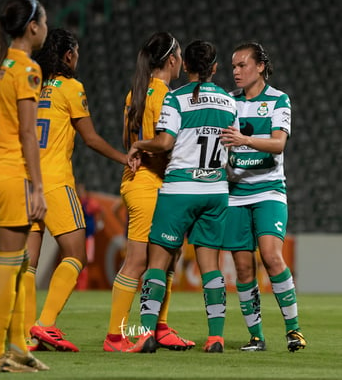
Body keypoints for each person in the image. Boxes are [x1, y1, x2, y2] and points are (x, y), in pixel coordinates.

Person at [125, 40, 239, 353]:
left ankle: (146, 334)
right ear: (214, 68)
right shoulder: (230, 102)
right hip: (215, 190)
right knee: (211, 267)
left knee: (158, 264)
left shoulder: (175, 98)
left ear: (185, 66)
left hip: (180, 189)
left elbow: (164, 142)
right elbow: (234, 147)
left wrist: (139, 145)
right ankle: (216, 337)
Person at [22, 28, 128, 352]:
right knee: (76, 254)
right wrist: (124, 157)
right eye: (77, 52)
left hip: (24, 180)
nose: (78, 58)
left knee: (28, 262)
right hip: (54, 180)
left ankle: (26, 335)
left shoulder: (31, 85)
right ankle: (45, 323)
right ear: (68, 55)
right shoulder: (70, 87)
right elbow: (91, 138)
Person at [0, 0, 49, 372]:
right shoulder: (27, 70)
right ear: (33, 27)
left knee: (17, 263)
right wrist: (36, 187)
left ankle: (17, 345)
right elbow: (28, 135)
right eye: (45, 21)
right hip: (8, 175)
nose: (46, 28)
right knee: (9, 264)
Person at [103, 32, 195, 353]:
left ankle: (159, 328)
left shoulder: (135, 94)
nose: (182, 61)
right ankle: (115, 336)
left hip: (141, 180)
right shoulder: (166, 96)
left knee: (167, 258)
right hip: (149, 183)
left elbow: (129, 142)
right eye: (180, 55)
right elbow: (161, 144)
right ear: (171, 60)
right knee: (138, 261)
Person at [220, 42, 307, 352]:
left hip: (269, 190)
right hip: (234, 194)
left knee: (271, 257)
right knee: (243, 269)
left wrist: (243, 139)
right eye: (233, 66)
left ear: (260, 67)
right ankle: (256, 337)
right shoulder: (229, 102)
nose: (236, 72)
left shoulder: (278, 100)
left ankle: (294, 331)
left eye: (242, 65)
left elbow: (278, 144)